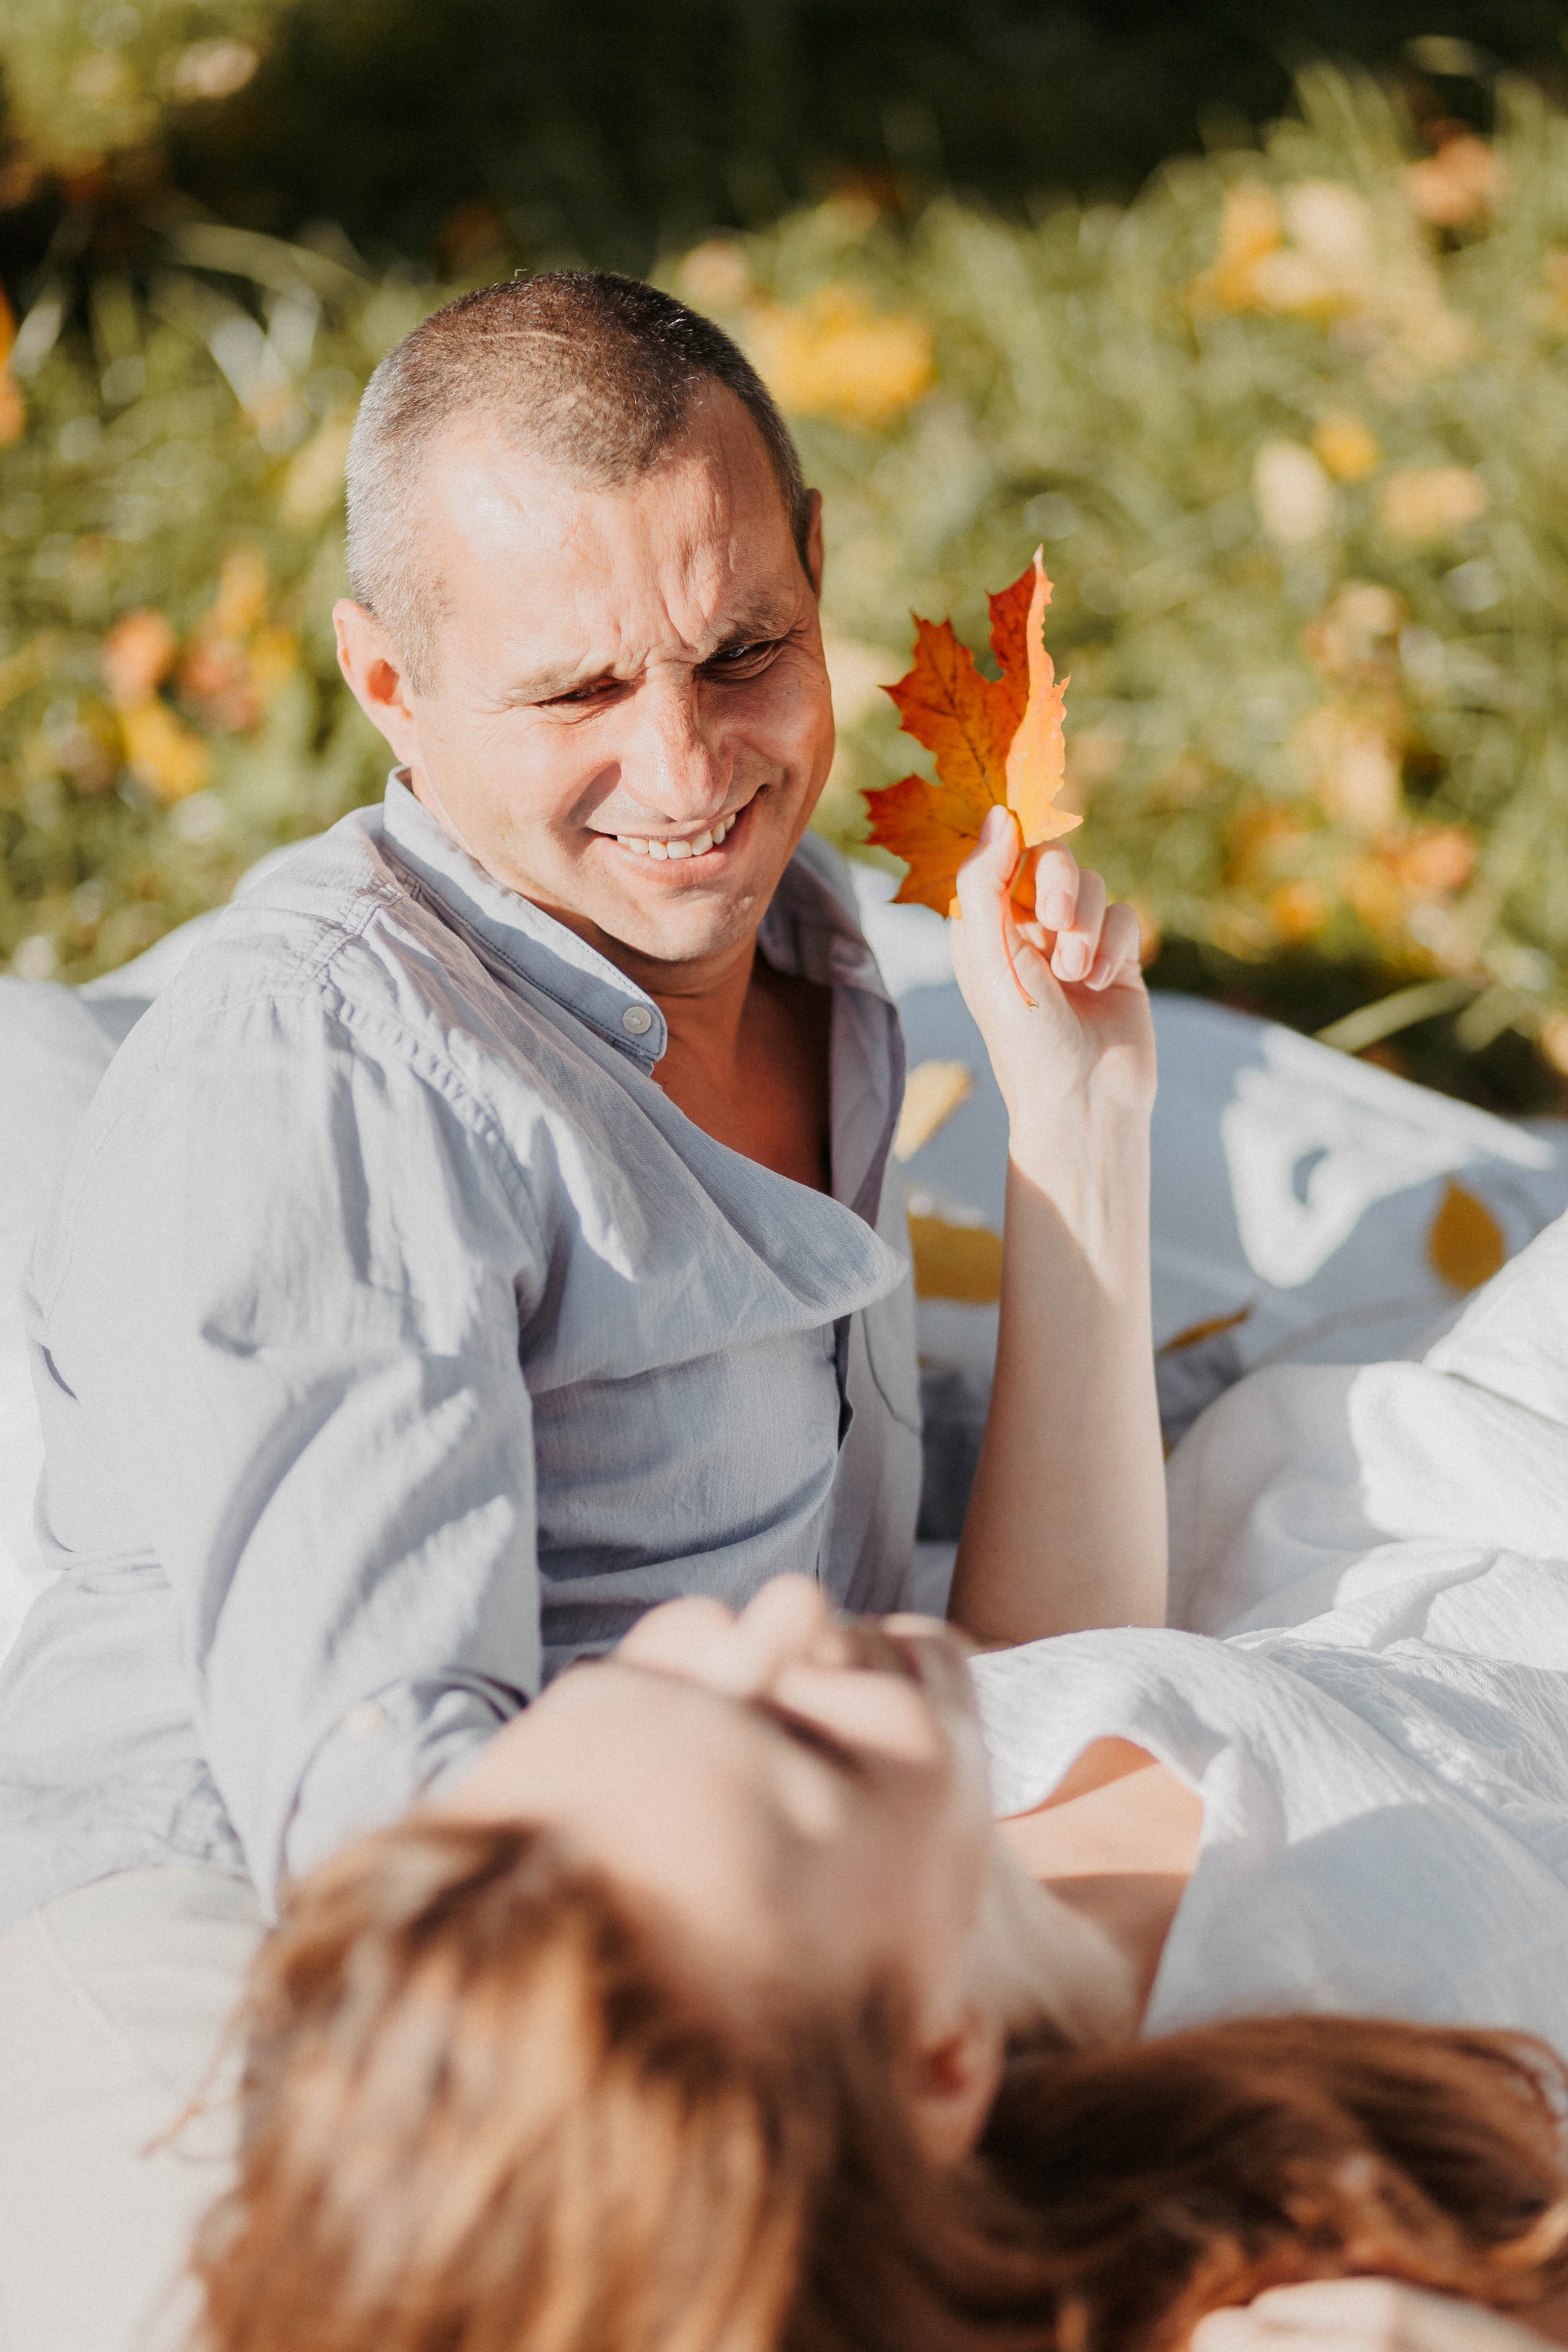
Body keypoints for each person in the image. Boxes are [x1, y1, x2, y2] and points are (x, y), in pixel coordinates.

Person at [0, 271, 1155, 2352]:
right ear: (387, 683)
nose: (688, 765)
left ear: (816, 565)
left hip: (736, 1922)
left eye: (744, 650)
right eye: (572, 696)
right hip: (263, 1980)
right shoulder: (334, 1087)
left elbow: (1045, 1674)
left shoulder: (810, 956)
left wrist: (1082, 1121)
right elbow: (389, 1858)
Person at [181, 1574, 1568, 2352]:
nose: (785, 1611)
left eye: (637, 1679)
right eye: (808, 1753)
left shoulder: (891, 1841)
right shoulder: (1334, 2144)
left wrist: (1079, 1136)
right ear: (939, 2060)